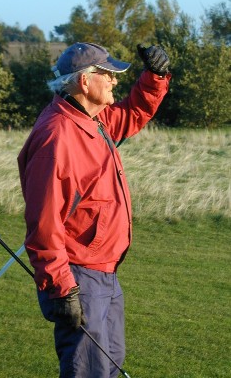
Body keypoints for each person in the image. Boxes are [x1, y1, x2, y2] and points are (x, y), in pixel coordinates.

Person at [18, 42, 171, 377]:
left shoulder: (91, 119)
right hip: (78, 277)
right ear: (85, 82)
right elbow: (43, 225)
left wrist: (155, 77)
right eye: (108, 75)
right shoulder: (57, 137)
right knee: (90, 370)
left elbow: (133, 113)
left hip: (104, 272)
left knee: (110, 361)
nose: (115, 82)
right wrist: (61, 287)